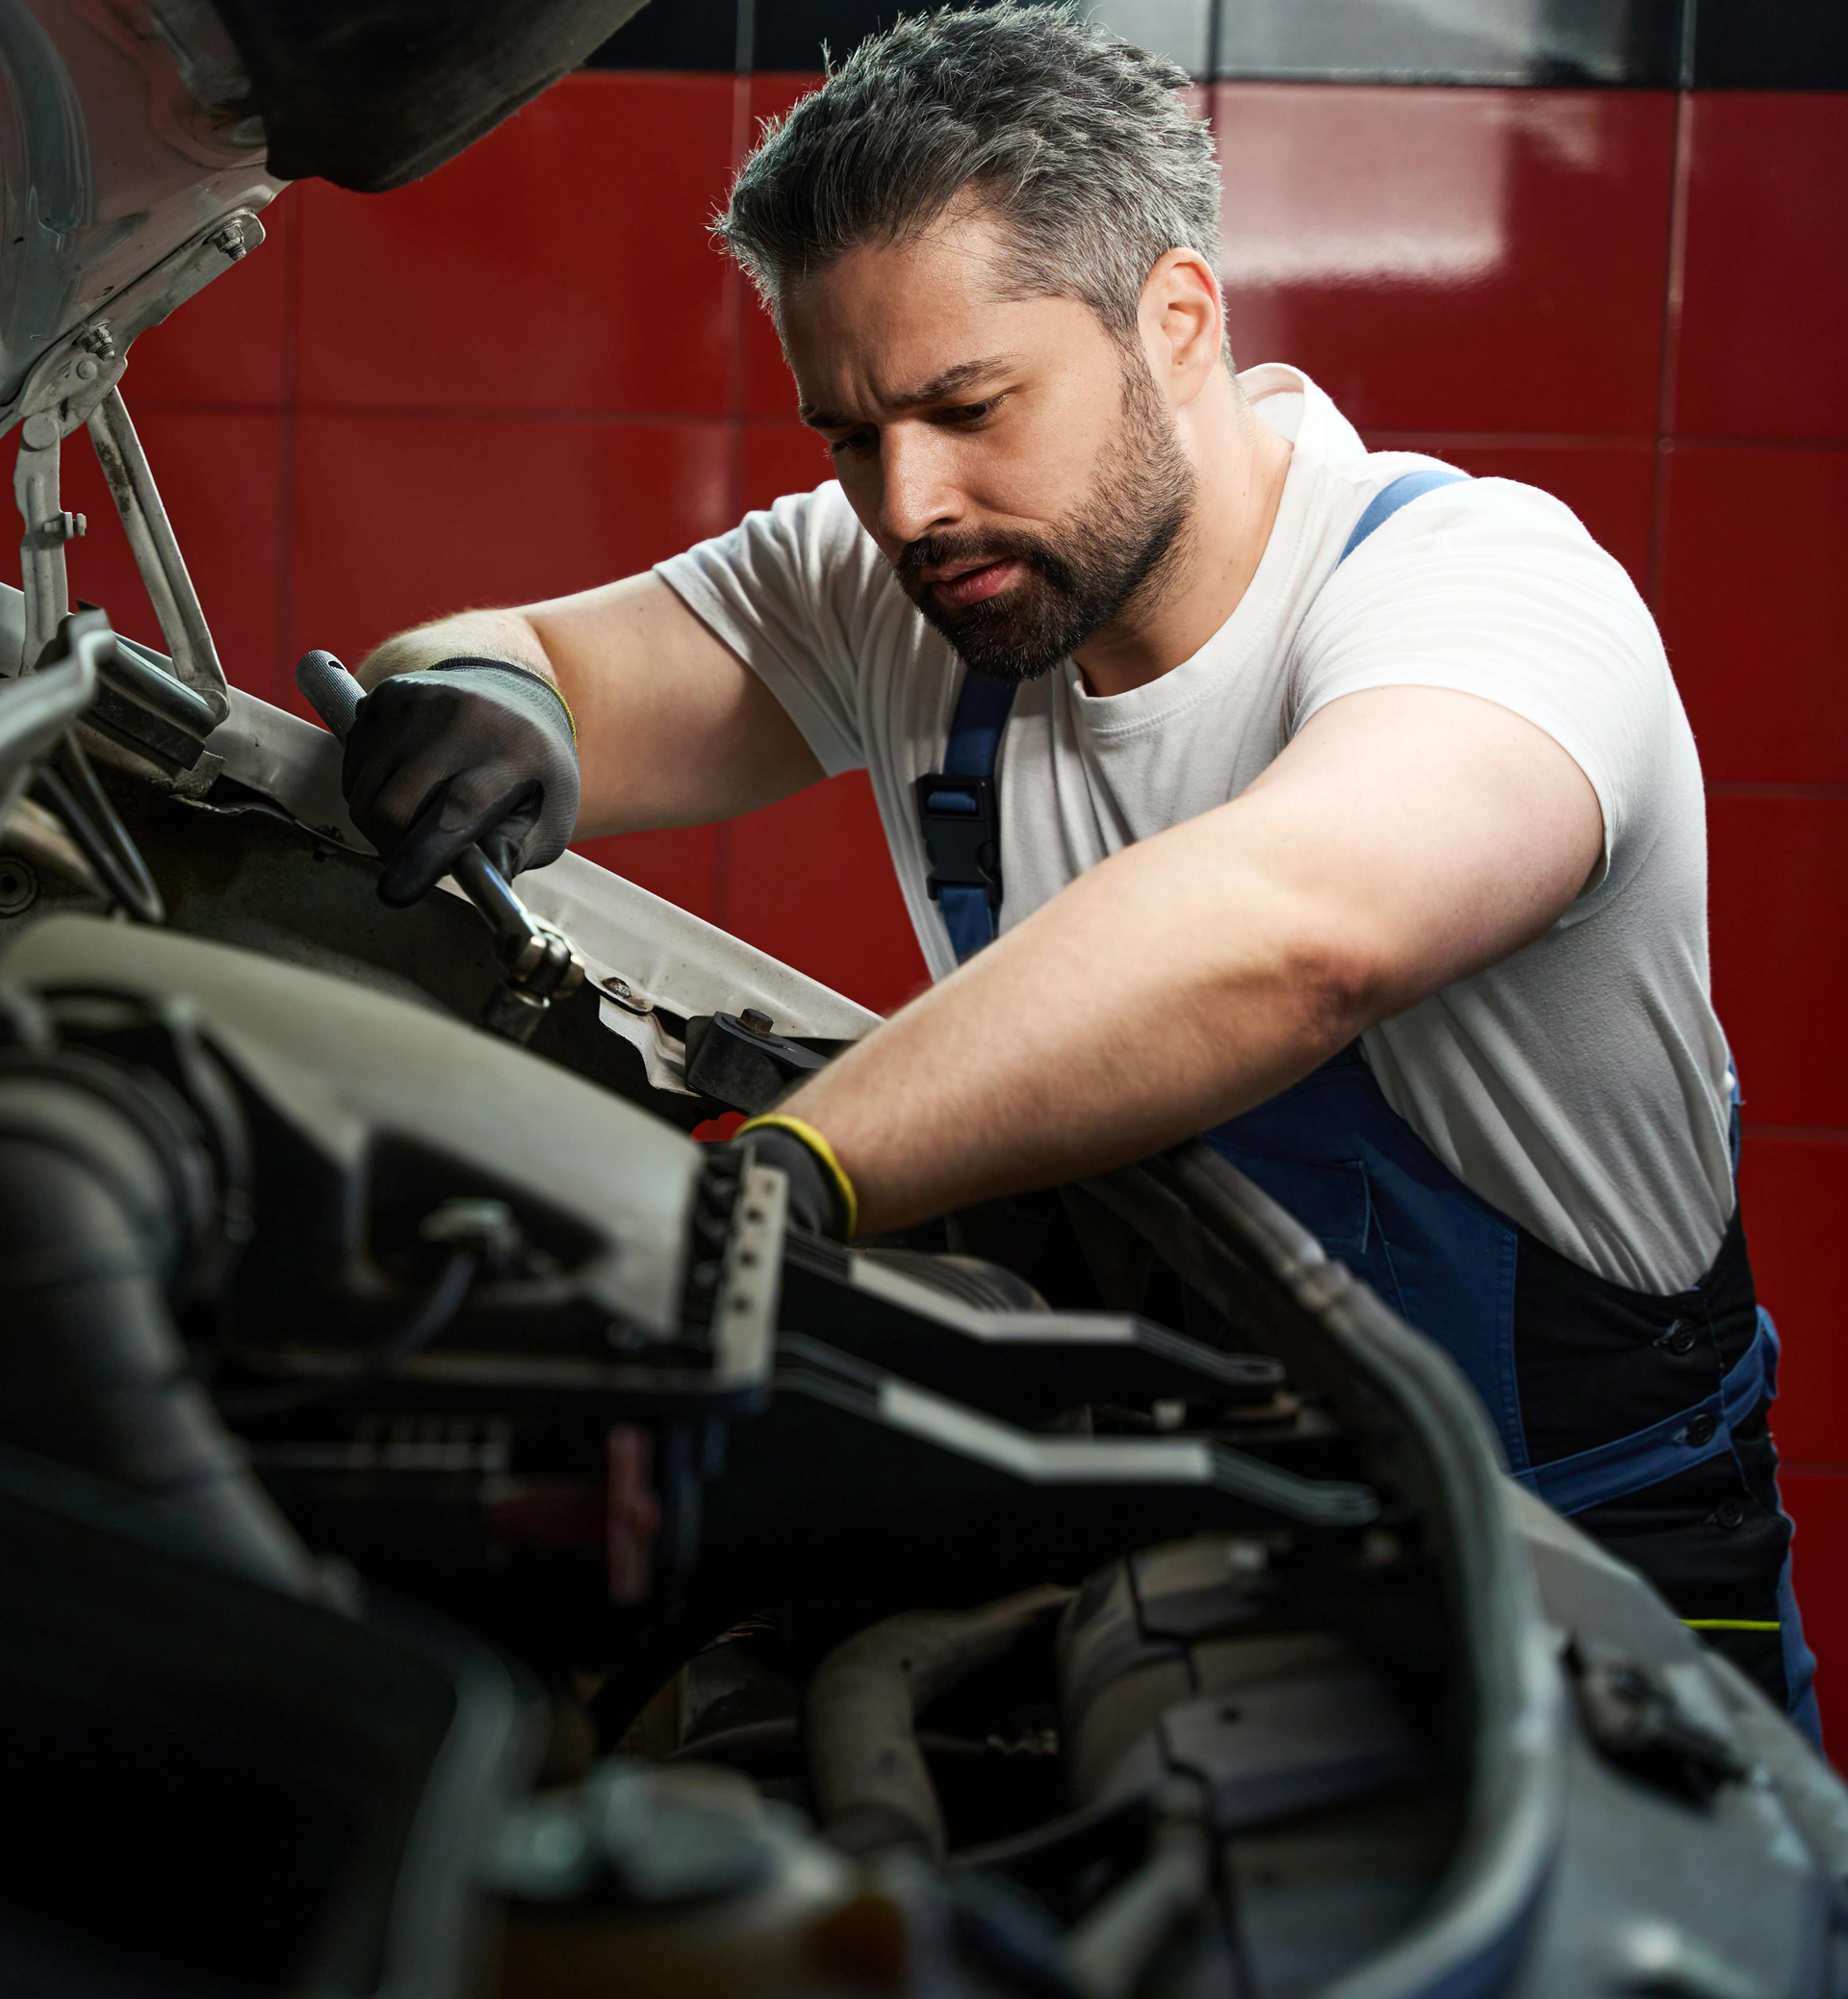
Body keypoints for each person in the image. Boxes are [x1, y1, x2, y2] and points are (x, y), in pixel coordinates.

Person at [334, 5, 1817, 1735]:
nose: (908, 503)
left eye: (971, 404)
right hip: (1201, 1569)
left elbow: (1295, 933)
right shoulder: (919, 578)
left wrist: (783, 1178)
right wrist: (479, 696)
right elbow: (527, 656)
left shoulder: (1487, 598)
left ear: (1175, 319)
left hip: (1588, 1601)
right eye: (850, 433)